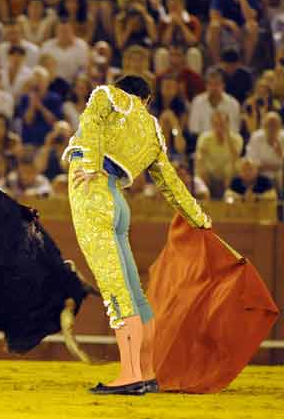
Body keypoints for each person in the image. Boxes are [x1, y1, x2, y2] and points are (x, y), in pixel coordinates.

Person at [64, 75, 211, 395]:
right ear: (146, 99)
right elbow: (171, 185)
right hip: (118, 201)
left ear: (124, 89)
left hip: (94, 196)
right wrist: (200, 220)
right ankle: (145, 371)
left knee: (116, 291)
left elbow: (90, 122)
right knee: (134, 292)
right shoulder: (154, 133)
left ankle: (130, 374)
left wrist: (90, 164)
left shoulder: (108, 95)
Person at [195, 111, 244, 198]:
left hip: (228, 174)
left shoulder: (237, 139)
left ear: (228, 124)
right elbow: (200, 157)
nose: (219, 127)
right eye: (216, 124)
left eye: (222, 124)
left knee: (235, 167)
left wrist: (227, 137)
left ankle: (227, 201)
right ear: (212, 124)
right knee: (200, 167)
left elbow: (236, 156)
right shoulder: (205, 138)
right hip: (210, 173)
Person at [15, 66, 63, 145]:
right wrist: (32, 104)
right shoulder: (25, 99)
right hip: (29, 142)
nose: (37, 84)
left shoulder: (55, 98)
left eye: (40, 81)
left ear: (47, 82)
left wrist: (40, 107)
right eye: (35, 81)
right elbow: (28, 121)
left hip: (49, 142)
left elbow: (54, 121)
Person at [206, 0, 260, 64]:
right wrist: (229, 23)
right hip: (225, 31)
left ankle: (245, 66)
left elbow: (250, 18)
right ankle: (218, 65)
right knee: (214, 26)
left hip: (243, 32)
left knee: (253, 26)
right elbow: (213, 16)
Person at [188, 68, 241, 136]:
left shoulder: (233, 104)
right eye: (210, 84)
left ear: (223, 85)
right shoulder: (197, 102)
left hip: (226, 142)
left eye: (216, 84)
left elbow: (234, 130)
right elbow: (194, 129)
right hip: (203, 142)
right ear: (206, 86)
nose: (213, 88)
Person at [246, 111, 284, 194]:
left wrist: (281, 154)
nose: (272, 128)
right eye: (269, 125)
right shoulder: (256, 138)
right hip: (260, 174)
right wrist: (275, 166)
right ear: (263, 126)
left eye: (275, 125)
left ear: (280, 126)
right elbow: (252, 162)